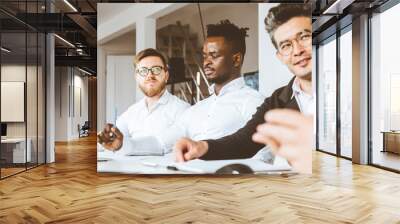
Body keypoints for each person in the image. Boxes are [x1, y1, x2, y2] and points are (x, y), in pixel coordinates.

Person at [175, 4, 314, 173]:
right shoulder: (278, 100)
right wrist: (202, 146)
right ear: (279, 56)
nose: (297, 50)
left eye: (305, 37)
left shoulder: (348, 88)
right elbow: (244, 142)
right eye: (286, 45)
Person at [156, 20, 264, 153]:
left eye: (214, 55)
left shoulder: (254, 102)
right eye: (205, 56)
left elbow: (264, 152)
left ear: (236, 59)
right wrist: (125, 143)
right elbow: (161, 143)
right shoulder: (196, 109)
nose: (206, 62)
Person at [97, 48, 189, 155]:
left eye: (156, 69)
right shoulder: (131, 112)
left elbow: (161, 144)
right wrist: (104, 139)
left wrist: (123, 145)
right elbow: (113, 138)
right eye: (143, 71)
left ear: (166, 76)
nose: (150, 75)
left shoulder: (183, 110)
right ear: (137, 77)